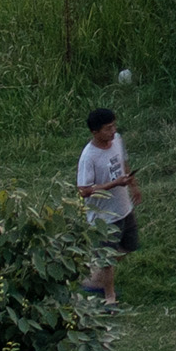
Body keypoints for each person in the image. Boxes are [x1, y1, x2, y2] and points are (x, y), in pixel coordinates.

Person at [76, 107, 137, 304]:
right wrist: (114, 184)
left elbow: (123, 162)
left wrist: (133, 186)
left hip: (123, 207)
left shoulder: (117, 140)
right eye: (108, 129)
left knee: (129, 246)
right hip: (104, 217)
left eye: (114, 126)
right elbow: (83, 190)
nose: (113, 131)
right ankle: (109, 297)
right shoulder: (89, 156)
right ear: (95, 132)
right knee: (108, 259)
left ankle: (94, 279)